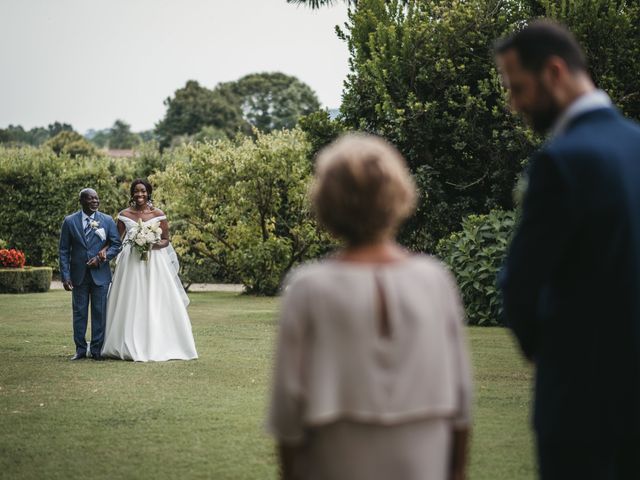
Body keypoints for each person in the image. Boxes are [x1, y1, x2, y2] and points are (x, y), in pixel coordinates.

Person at [267, 134, 472, 480]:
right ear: (398, 194)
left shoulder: (308, 287)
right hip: (424, 454)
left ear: (327, 202)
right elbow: (462, 398)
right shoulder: (435, 279)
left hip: (334, 454)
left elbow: (288, 406)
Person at [496, 20, 640, 479]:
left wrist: (558, 357)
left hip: (582, 408)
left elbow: (519, 284)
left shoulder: (562, 162)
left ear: (554, 72)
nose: (514, 104)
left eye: (517, 88)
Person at [101, 179, 197, 362]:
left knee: (156, 300)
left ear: (148, 193)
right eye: (136, 192)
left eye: (143, 191)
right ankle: (126, 342)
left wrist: (151, 243)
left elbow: (166, 240)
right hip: (131, 264)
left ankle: (160, 343)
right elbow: (116, 240)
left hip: (155, 264)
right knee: (130, 300)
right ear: (132, 194)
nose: (140, 195)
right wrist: (104, 252)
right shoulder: (123, 215)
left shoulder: (159, 214)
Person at [59, 188, 122, 361]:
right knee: (79, 313)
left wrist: (102, 259)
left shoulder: (107, 220)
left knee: (99, 313)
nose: (95, 201)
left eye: (96, 198)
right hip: (78, 275)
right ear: (81, 201)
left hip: (100, 275)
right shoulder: (69, 221)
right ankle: (80, 349)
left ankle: (96, 350)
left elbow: (117, 244)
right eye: (90, 198)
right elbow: (64, 250)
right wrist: (65, 275)